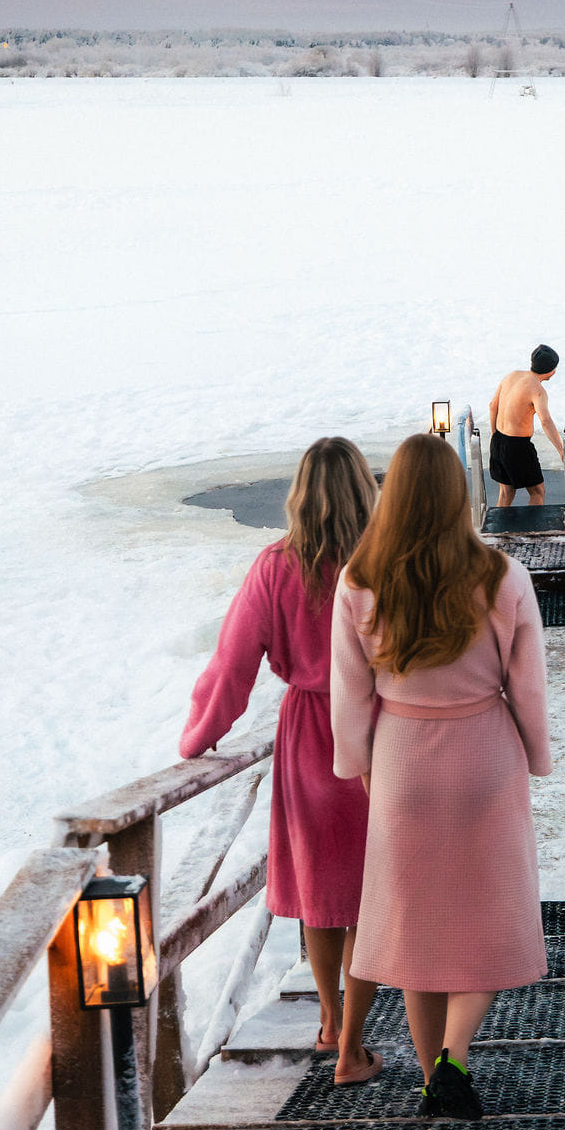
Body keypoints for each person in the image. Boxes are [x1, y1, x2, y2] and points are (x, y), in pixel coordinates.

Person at [330, 434, 552, 1120]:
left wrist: (358, 765)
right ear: (460, 494)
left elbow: (348, 692)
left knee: (417, 927)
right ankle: (454, 1058)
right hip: (484, 751)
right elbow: (531, 686)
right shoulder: (502, 575)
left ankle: (433, 1077)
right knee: (489, 916)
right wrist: (536, 754)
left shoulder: (360, 581)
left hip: (402, 756)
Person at [179, 438, 383, 1087]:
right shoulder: (383, 563)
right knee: (374, 896)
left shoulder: (273, 568)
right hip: (377, 731)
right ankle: (354, 1035)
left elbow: (232, 665)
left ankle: (329, 1019)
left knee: (325, 895)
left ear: (299, 493)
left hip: (307, 736)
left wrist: (198, 736)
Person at [485, 345, 565, 508]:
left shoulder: (512, 375)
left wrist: (495, 435)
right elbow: (546, 422)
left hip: (498, 440)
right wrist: (561, 450)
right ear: (551, 370)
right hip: (518, 446)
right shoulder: (538, 390)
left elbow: (493, 405)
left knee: (506, 492)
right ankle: (532, 531)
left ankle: (501, 532)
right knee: (537, 492)